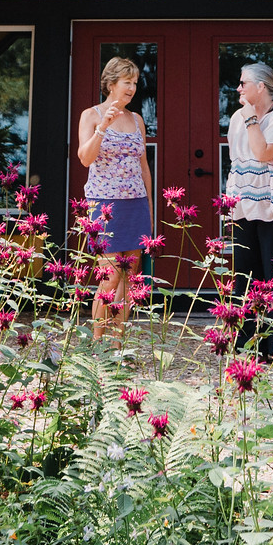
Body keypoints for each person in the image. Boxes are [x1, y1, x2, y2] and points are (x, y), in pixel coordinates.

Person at [225, 61, 273, 358]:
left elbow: (261, 152)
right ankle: (248, 348)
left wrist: (250, 119)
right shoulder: (236, 118)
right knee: (244, 274)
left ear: (261, 87)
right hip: (245, 201)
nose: (238, 88)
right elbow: (239, 160)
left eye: (243, 83)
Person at [77, 56, 153, 339]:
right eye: (127, 82)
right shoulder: (91, 115)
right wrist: (102, 127)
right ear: (111, 84)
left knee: (129, 278)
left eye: (134, 83)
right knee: (108, 278)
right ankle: (97, 344)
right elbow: (85, 159)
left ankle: (118, 343)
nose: (132, 88)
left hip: (135, 205)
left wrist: (150, 209)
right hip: (104, 206)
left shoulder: (137, 119)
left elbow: (144, 167)